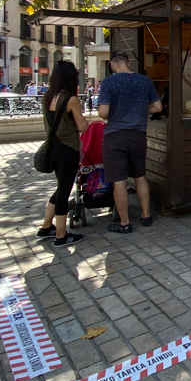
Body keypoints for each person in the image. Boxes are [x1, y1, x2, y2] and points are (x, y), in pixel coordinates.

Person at [98, 50, 163, 233]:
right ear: (129, 63)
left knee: (119, 180)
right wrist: (140, 111)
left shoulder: (109, 82)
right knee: (140, 176)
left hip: (115, 136)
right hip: (138, 135)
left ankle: (125, 223)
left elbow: (103, 113)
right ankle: (146, 215)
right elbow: (157, 107)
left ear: (112, 64)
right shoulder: (145, 81)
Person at [37, 61, 90, 246]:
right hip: (68, 149)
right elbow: (81, 125)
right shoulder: (71, 100)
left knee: (61, 187)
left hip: (53, 148)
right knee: (64, 192)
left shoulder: (47, 96)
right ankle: (61, 235)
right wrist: (83, 125)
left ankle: (46, 227)